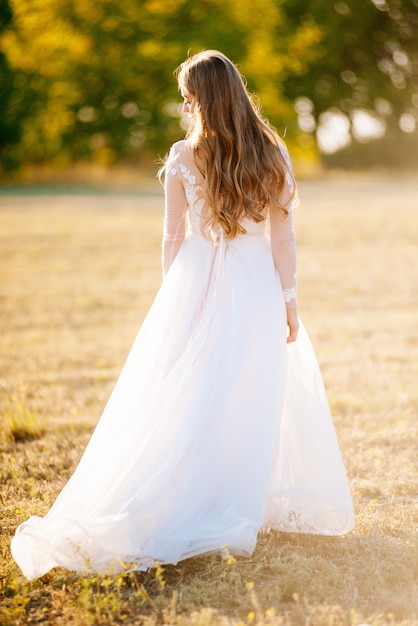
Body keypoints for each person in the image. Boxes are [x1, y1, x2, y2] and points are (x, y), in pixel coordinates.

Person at [11, 51, 354, 581]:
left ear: (200, 98)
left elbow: (173, 236)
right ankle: (242, 498)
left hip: (198, 277)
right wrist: (290, 301)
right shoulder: (272, 151)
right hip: (256, 281)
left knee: (191, 389)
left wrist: (176, 296)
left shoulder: (183, 155)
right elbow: (283, 238)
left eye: (188, 95)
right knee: (251, 387)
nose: (184, 103)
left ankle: (199, 494)